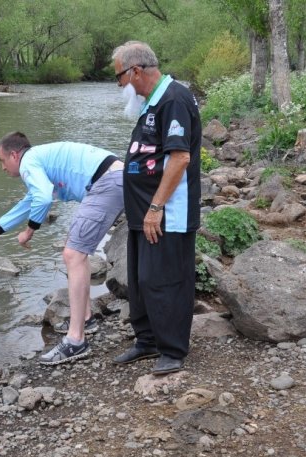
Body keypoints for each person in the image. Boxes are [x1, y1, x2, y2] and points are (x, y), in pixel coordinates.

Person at [0, 132, 125, 365]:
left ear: (14, 154)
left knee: (73, 254)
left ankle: (76, 340)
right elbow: (31, 201)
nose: (2, 167)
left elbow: (42, 199)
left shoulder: (29, 161)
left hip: (108, 182)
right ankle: (86, 319)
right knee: (77, 252)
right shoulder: (39, 159)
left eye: (2, 161)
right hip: (114, 179)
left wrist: (29, 231)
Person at [111, 41, 201, 375]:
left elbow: (179, 158)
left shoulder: (174, 99)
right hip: (142, 212)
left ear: (135, 71)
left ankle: (173, 349)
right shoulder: (153, 101)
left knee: (165, 279)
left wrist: (156, 207)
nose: (120, 86)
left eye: (120, 78)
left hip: (167, 213)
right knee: (140, 280)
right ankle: (147, 341)